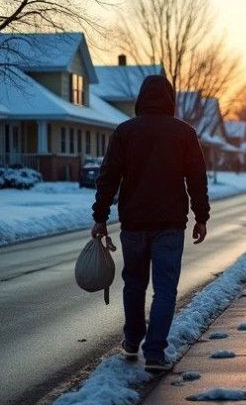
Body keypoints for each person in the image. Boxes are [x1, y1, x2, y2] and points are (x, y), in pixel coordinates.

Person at [91, 75, 210, 373]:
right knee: (165, 288)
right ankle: (155, 352)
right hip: (170, 223)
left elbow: (108, 176)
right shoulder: (184, 133)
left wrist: (100, 217)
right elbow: (197, 178)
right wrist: (201, 216)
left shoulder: (125, 132)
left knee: (134, 283)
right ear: (170, 100)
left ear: (141, 99)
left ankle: (132, 340)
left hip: (134, 222)